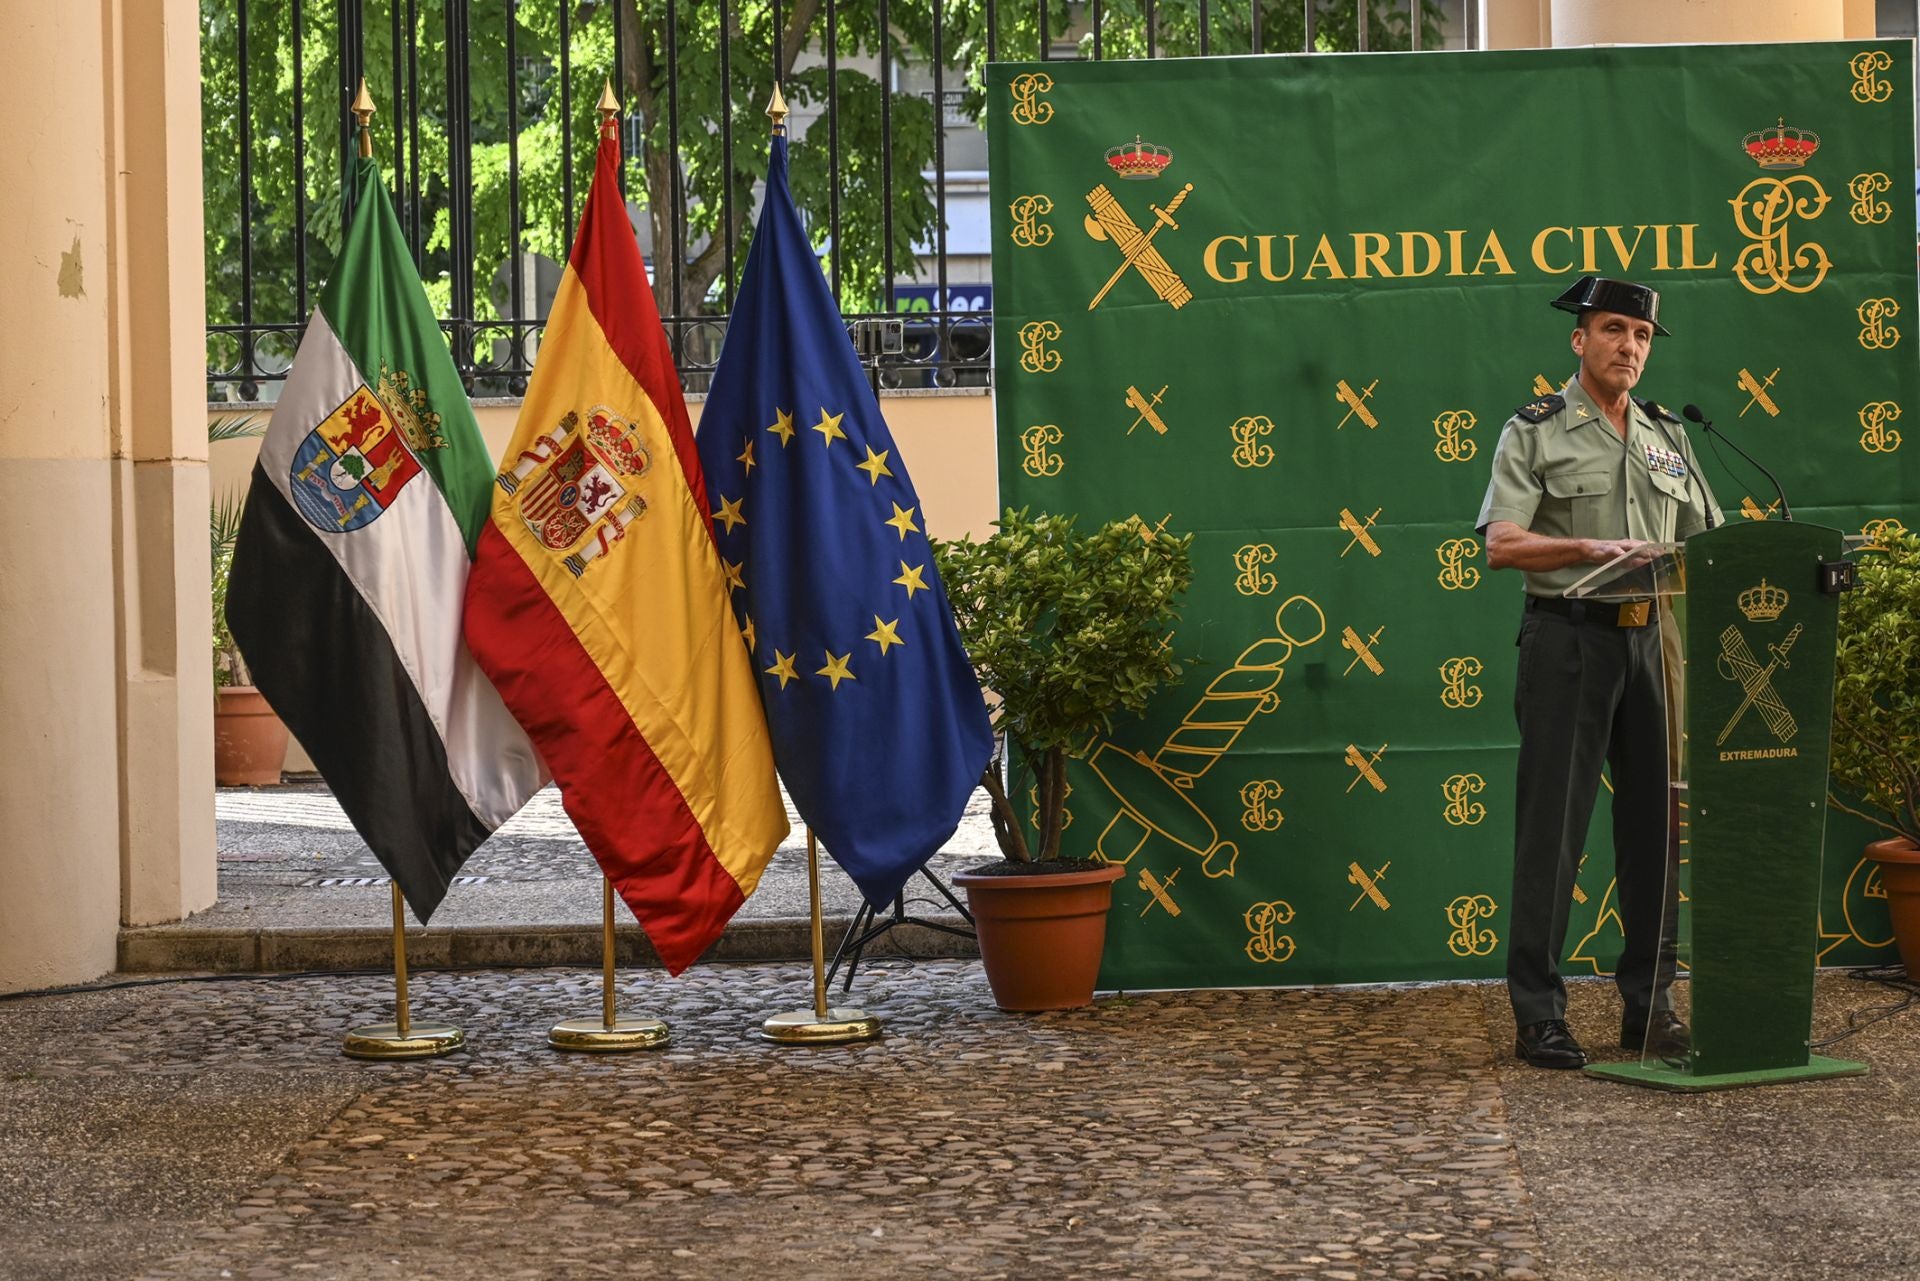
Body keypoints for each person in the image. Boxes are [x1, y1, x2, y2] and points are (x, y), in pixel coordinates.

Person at [1475, 276, 1722, 1069]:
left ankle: (1652, 1008)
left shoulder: (1668, 434)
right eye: (1614, 329)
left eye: (1642, 335)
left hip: (1655, 641)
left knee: (1657, 830)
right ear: (1579, 339)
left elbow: (1711, 541)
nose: (1630, 346)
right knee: (1553, 829)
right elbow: (1502, 544)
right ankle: (1539, 1014)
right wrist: (1587, 547)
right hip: (1569, 639)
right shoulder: (1536, 430)